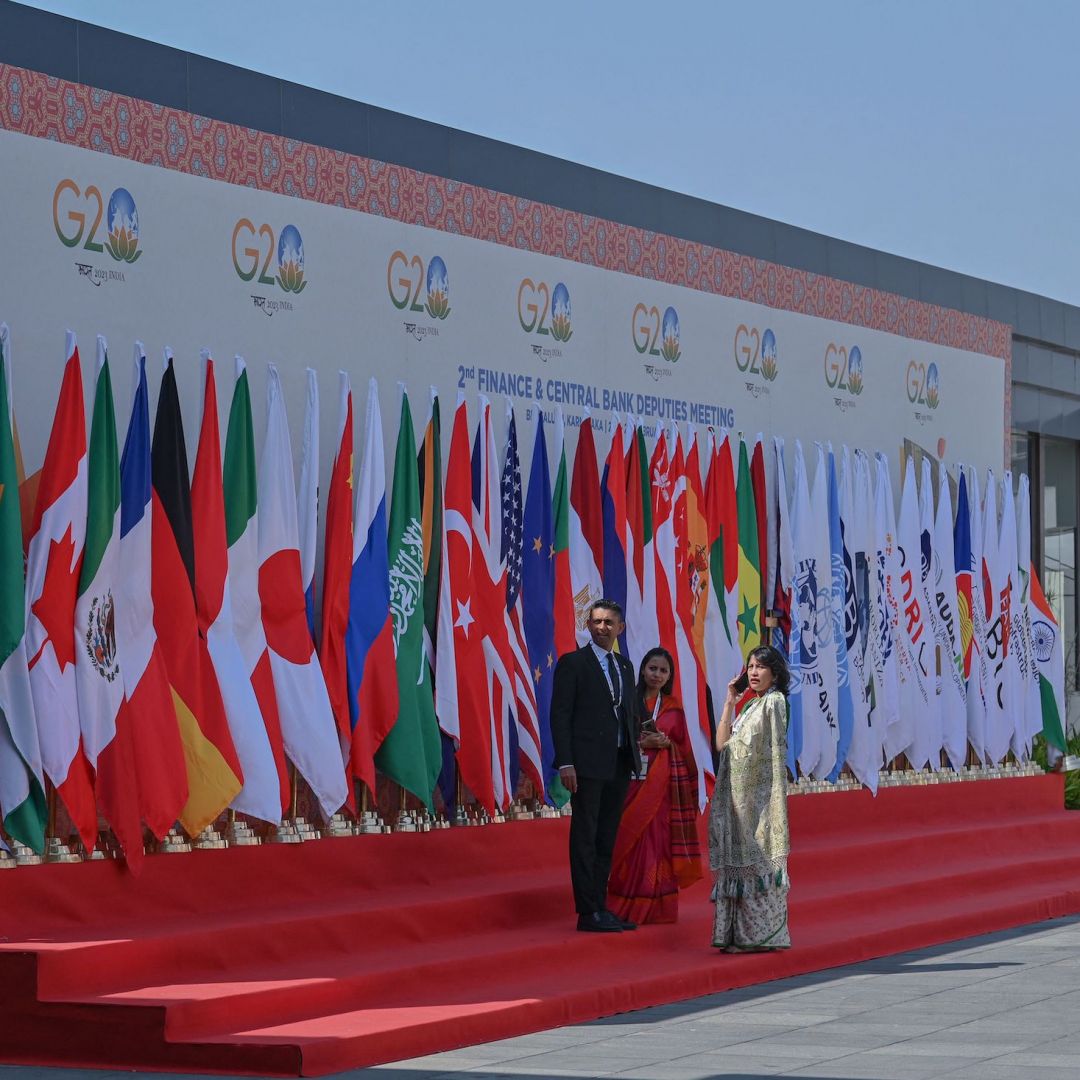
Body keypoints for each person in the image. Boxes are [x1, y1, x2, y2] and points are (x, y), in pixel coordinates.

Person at [550, 600, 642, 933]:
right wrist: (566, 762)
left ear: (621, 628)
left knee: (607, 836)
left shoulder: (625, 666)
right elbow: (560, 716)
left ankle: (601, 907)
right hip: (586, 764)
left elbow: (629, 713)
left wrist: (638, 753)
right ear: (588, 625)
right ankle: (587, 911)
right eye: (596, 622)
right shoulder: (573, 663)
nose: (602, 628)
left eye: (609, 623)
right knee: (585, 835)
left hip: (618, 761)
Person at [608, 647, 702, 924]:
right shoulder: (627, 701)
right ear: (642, 670)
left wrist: (667, 744)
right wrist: (641, 742)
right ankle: (620, 903)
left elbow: (684, 750)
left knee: (657, 844)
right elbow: (615, 738)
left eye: (663, 670)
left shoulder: (673, 708)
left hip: (662, 791)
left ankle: (656, 908)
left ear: (669, 675)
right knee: (628, 840)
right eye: (652, 668)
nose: (657, 674)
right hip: (629, 784)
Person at [709, 644, 791, 952]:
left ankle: (763, 936)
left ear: (775, 673)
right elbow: (721, 745)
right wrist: (730, 702)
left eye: (760, 667)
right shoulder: (747, 708)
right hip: (735, 799)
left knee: (759, 865)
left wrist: (770, 799)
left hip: (757, 799)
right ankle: (738, 935)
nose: (754, 672)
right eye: (750, 667)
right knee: (736, 865)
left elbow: (774, 751)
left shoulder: (775, 703)